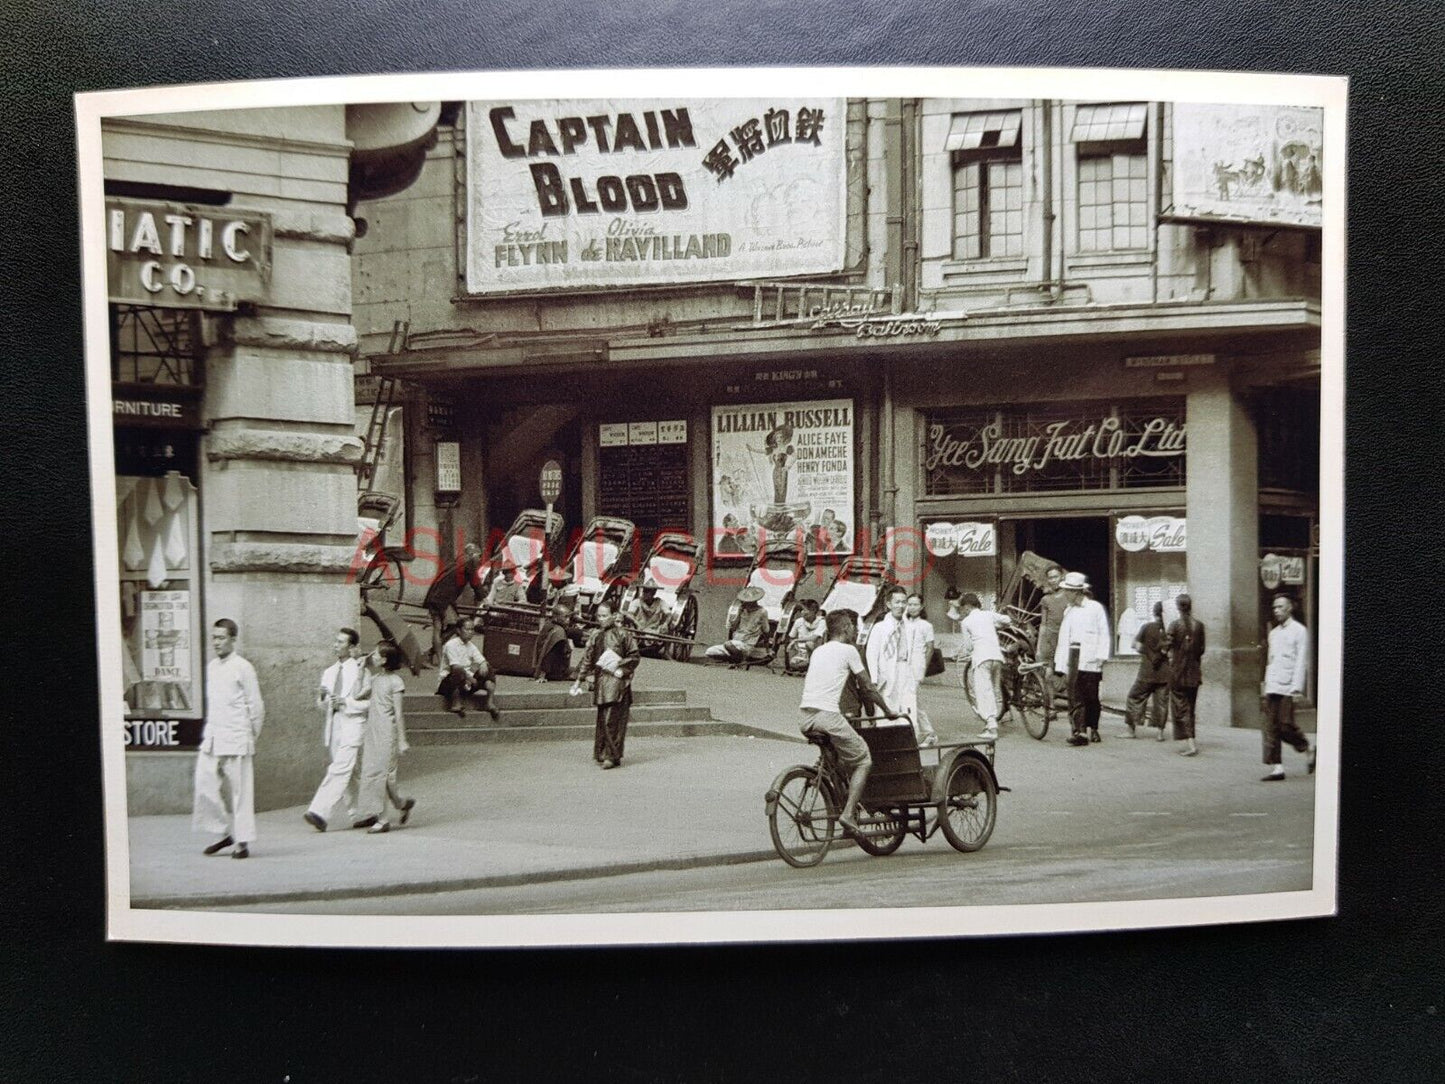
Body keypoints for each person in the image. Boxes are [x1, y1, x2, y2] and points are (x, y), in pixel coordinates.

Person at [798, 608, 901, 835]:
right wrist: (888, 710)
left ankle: (839, 804)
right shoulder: (849, 650)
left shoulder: (818, 651)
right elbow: (867, 686)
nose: (855, 630)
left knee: (836, 762)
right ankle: (848, 813)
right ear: (846, 628)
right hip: (829, 716)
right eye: (853, 626)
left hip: (805, 718)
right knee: (863, 760)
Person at [192, 618, 264, 859]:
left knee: (240, 792)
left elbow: (256, 706)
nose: (216, 642)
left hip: (237, 737)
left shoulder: (243, 667)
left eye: (221, 638)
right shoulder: (212, 667)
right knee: (204, 784)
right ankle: (222, 832)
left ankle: (242, 842)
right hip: (213, 736)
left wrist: (250, 734)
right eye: (214, 637)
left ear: (233, 639)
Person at [304, 627, 372, 832]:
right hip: (334, 726)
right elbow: (322, 705)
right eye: (335, 641)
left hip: (354, 724)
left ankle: (319, 812)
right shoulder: (329, 672)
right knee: (349, 772)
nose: (336, 645)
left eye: (341, 642)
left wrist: (345, 702)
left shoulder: (362, 671)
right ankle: (364, 813)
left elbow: (368, 703)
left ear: (352, 647)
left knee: (340, 768)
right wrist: (325, 698)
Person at [571, 600, 640, 769]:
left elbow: (635, 656)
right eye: (599, 616)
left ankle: (611, 755)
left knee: (613, 720)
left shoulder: (623, 634)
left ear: (613, 616)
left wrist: (621, 668)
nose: (601, 619)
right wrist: (579, 679)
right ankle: (603, 752)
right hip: (602, 680)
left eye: (605, 615)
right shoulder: (596, 635)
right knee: (603, 720)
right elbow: (588, 659)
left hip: (618, 681)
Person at [354, 641, 415, 834]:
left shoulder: (396, 682)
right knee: (374, 773)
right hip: (372, 731)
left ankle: (383, 819)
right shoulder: (374, 679)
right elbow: (356, 695)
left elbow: (398, 714)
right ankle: (402, 803)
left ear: (385, 659)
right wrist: (360, 671)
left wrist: (402, 740)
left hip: (387, 733)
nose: (372, 656)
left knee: (382, 775)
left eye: (376, 653)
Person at [864, 586, 936, 744]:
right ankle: (886, 742)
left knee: (908, 705)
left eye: (904, 602)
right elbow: (871, 653)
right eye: (897, 602)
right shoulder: (880, 627)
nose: (901, 606)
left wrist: (918, 672)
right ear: (889, 604)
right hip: (887, 672)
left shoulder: (910, 627)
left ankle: (907, 743)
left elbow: (916, 652)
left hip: (906, 670)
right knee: (887, 706)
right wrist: (874, 678)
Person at [1261, 594, 1315, 781]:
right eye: (1275, 607)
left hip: (1288, 685)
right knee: (1271, 727)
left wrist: (1297, 687)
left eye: (1280, 607)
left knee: (1285, 725)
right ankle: (1277, 767)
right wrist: (1266, 685)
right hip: (1273, 684)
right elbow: (1271, 661)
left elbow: (1301, 661)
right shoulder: (1273, 633)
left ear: (1290, 608)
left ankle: (1306, 747)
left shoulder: (1299, 631)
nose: (1276, 610)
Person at [1054, 572, 1110, 746]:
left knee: (1091, 697)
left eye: (1068, 592)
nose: (1066, 595)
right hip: (1074, 658)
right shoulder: (1068, 612)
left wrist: (1102, 655)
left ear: (1076, 592)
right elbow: (1064, 639)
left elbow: (1104, 633)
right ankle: (1079, 732)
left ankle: (1093, 728)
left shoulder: (1095, 608)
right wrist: (1060, 664)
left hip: (1091, 658)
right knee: (1075, 696)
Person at [955, 592, 1011, 741]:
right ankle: (998, 713)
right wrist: (996, 626)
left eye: (963, 608)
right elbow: (1007, 619)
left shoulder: (966, 622)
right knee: (993, 688)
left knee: (983, 691)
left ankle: (991, 726)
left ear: (967, 607)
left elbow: (968, 646)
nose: (963, 611)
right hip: (997, 657)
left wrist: (966, 651)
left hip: (981, 658)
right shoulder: (988, 615)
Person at [423, 542, 484, 664]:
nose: (479, 559)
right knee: (455, 625)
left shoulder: (457, 562)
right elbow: (476, 584)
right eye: (479, 556)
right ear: (472, 554)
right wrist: (482, 597)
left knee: (439, 627)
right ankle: (435, 657)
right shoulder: (469, 563)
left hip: (435, 596)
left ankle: (431, 655)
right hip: (443, 599)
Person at [436, 617, 500, 720]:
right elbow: (455, 667)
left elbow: (481, 660)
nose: (470, 632)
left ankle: (489, 702)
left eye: (472, 629)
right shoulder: (451, 645)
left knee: (488, 667)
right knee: (458, 670)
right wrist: (470, 679)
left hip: (466, 683)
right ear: (458, 630)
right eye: (467, 629)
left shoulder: (471, 646)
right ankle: (455, 703)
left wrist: (483, 664)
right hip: (449, 684)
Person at [1124, 600, 1171, 740]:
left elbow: (1136, 646)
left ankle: (1131, 731)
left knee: (1135, 698)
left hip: (1147, 671)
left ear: (1154, 612)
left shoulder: (1147, 627)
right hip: (1164, 673)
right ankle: (1160, 733)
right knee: (1161, 702)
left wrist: (1147, 651)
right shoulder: (1170, 630)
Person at [1167, 594, 1204, 757]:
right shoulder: (1199, 625)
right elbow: (1201, 649)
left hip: (1178, 673)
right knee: (1191, 708)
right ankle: (1191, 741)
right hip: (1194, 673)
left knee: (1181, 709)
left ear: (1178, 607)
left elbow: (1166, 645)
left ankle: (1190, 744)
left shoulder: (1175, 625)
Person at [705, 585, 770, 666]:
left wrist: (767, 646)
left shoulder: (762, 612)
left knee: (728, 644)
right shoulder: (742, 610)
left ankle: (738, 658)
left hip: (746, 645)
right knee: (709, 651)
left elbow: (766, 630)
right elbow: (733, 627)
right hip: (734, 644)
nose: (745, 603)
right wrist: (739, 612)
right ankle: (735, 659)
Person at [1035, 565, 1069, 698]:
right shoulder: (1046, 600)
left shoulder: (1069, 595)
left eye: (1055, 577)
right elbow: (1043, 624)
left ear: (1061, 577)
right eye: (1050, 578)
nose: (1053, 580)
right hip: (1050, 640)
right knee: (1048, 674)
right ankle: (1051, 707)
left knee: (1069, 673)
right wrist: (1039, 648)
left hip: (1066, 639)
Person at [532, 602, 574, 683]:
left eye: (569, 617)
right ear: (556, 617)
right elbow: (549, 653)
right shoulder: (558, 632)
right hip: (554, 671)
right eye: (565, 617)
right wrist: (542, 674)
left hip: (548, 668)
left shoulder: (550, 625)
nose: (568, 620)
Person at [784, 597, 826, 672]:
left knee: (809, 644)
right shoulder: (798, 621)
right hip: (800, 652)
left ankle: (812, 663)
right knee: (793, 661)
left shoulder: (822, 622)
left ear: (813, 611)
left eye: (805, 610)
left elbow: (814, 638)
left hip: (814, 651)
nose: (802, 612)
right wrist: (793, 644)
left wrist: (797, 640)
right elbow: (791, 637)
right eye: (802, 610)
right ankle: (799, 665)